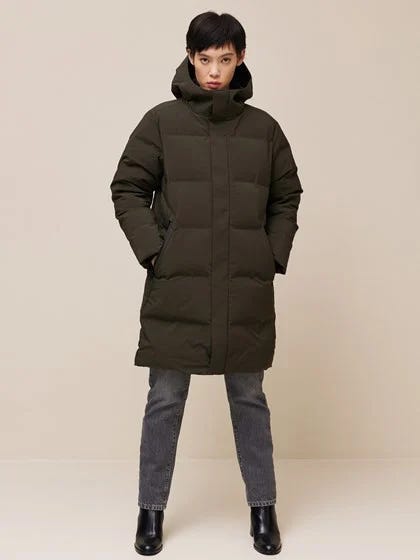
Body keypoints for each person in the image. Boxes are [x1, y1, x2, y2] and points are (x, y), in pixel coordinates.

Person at [110, 10, 303, 556]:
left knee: (249, 398)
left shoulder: (264, 130)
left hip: (243, 289)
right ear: (190, 58)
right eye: (204, 59)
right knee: (165, 399)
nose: (214, 71)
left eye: (225, 59)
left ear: (240, 59)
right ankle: (150, 512)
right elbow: (127, 187)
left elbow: (286, 195)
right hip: (179, 287)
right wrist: (156, 250)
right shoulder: (160, 122)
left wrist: (269, 254)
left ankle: (263, 510)